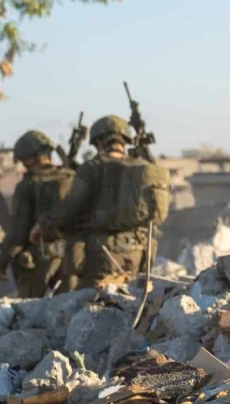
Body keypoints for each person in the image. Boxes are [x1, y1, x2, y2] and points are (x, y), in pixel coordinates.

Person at [37, 115, 170, 288]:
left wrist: (44, 226)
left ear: (99, 141)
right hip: (138, 253)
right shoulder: (141, 167)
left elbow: (70, 208)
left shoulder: (91, 168)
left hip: (102, 255)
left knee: (97, 302)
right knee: (132, 299)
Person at [0, 130, 73, 297]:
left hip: (39, 260)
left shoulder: (28, 185)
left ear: (29, 158)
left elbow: (18, 232)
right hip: (72, 259)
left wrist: (3, 261)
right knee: (72, 308)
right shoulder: (73, 178)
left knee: (29, 309)